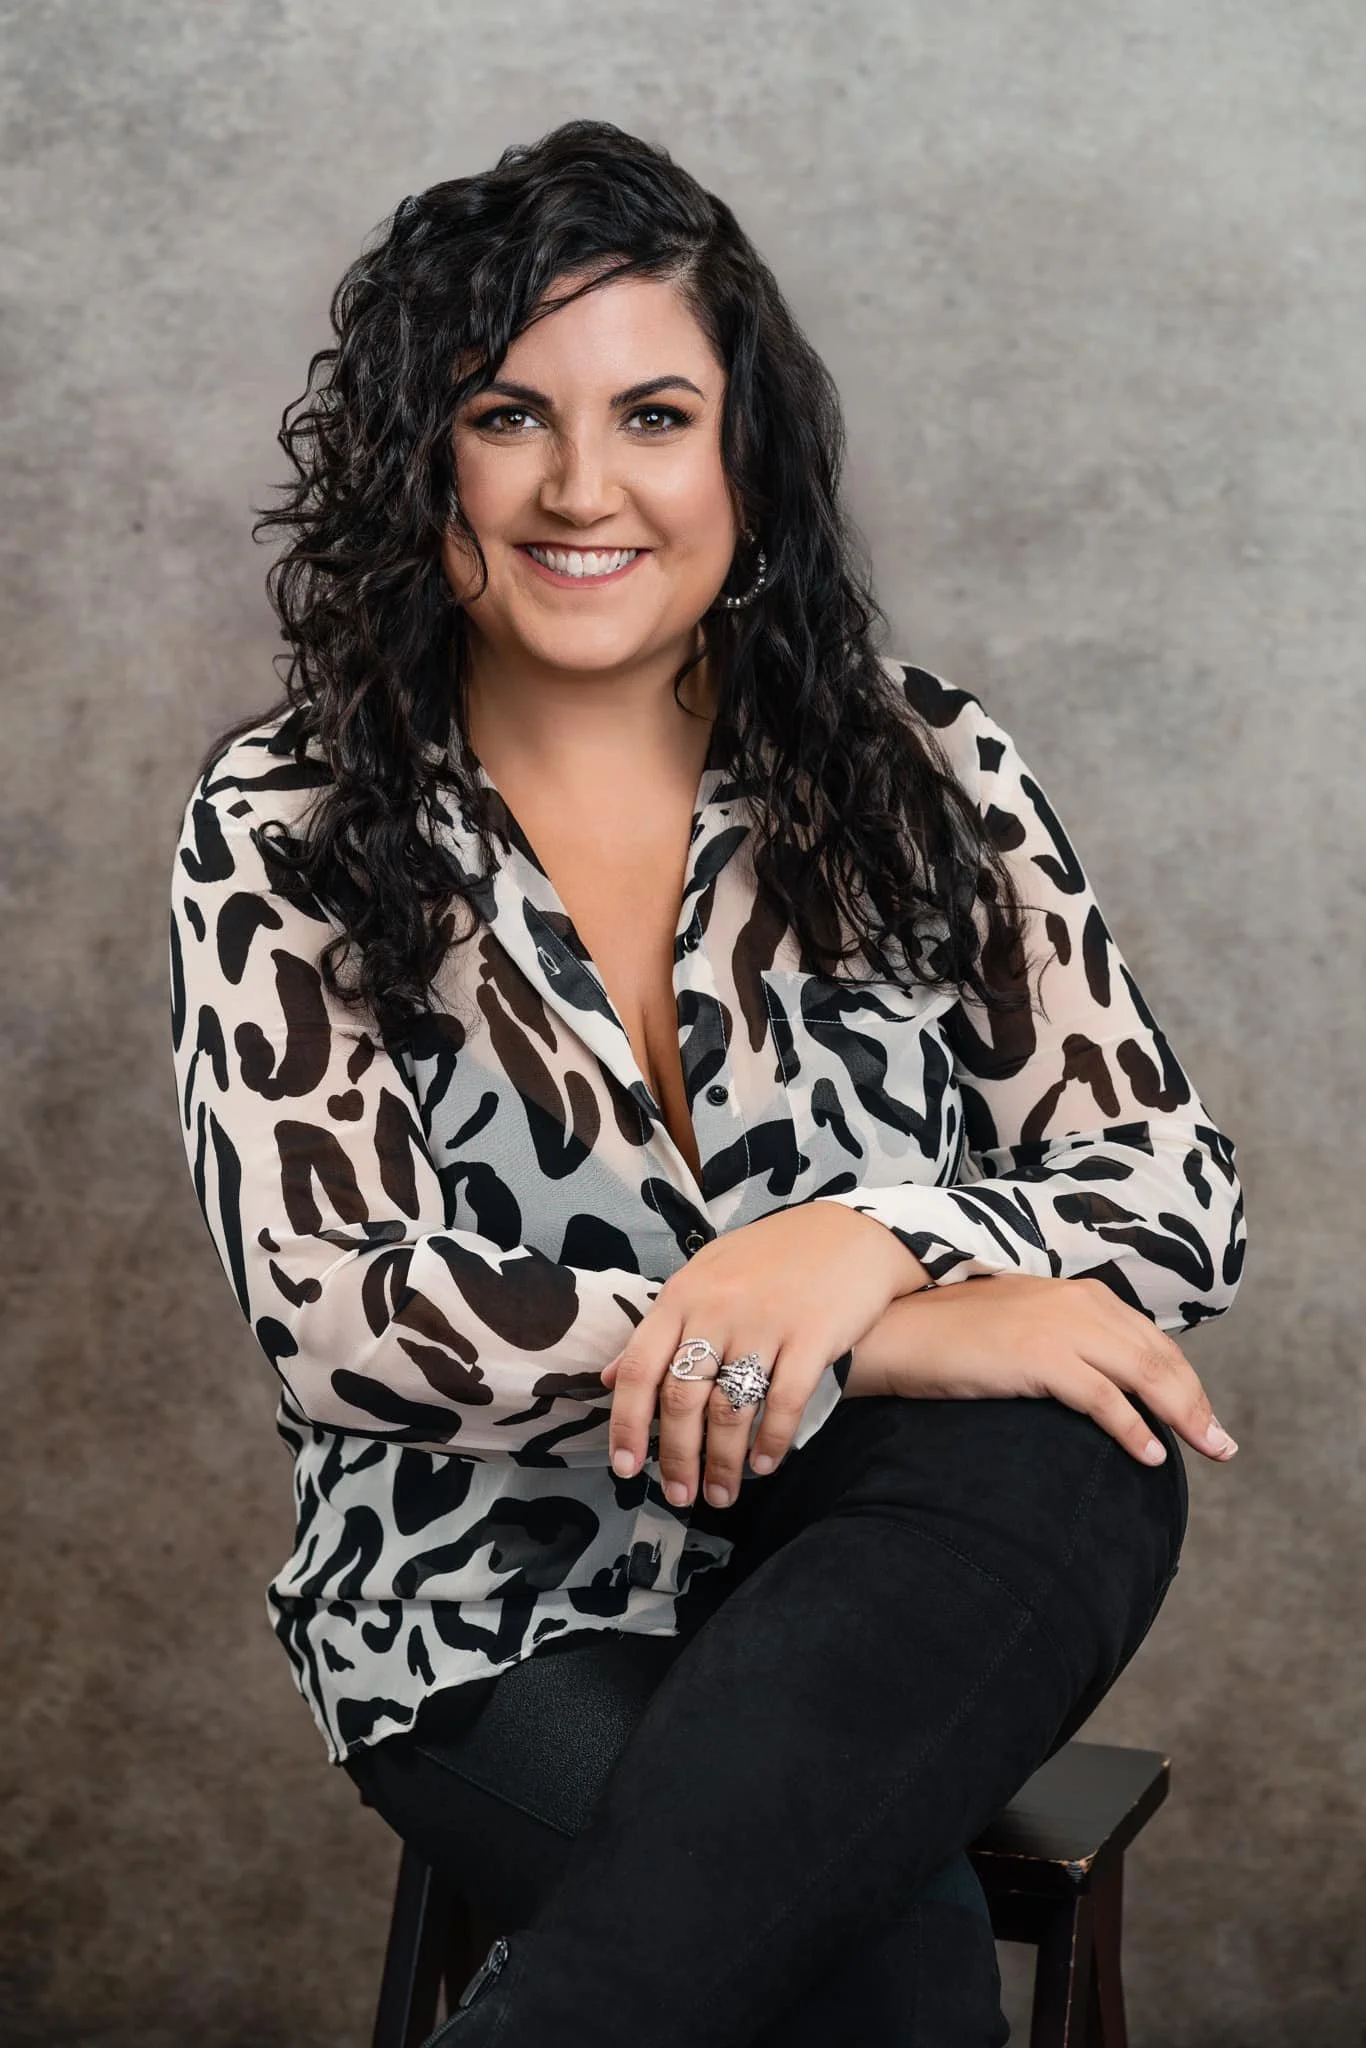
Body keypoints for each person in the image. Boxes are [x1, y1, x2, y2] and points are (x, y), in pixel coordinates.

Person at [168, 119, 1246, 2047]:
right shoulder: (289, 816)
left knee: (1074, 1424)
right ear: (426, 455)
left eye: (654, 414)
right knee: (875, 1976)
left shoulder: (923, 768)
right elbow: (337, 1315)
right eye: (510, 415)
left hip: (889, 1563)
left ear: (743, 453)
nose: (584, 487)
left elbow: (1167, 1187)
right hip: (499, 1601)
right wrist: (862, 1333)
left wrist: (866, 1244)